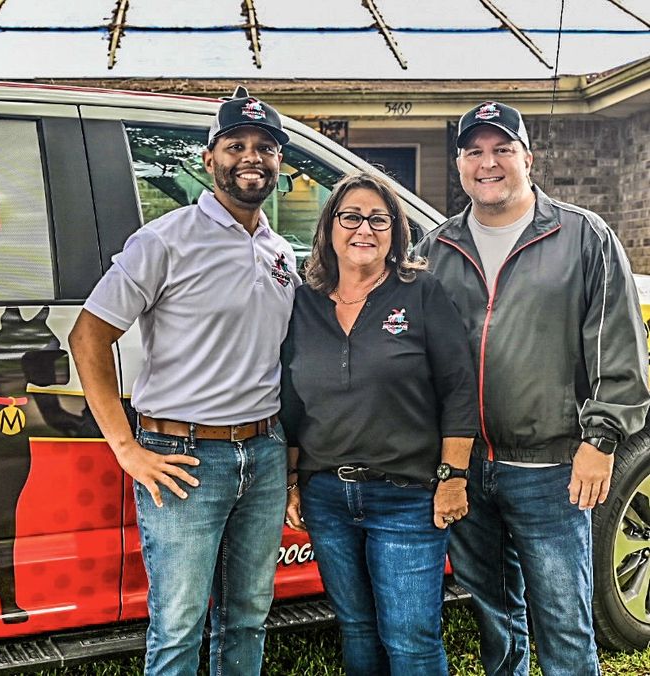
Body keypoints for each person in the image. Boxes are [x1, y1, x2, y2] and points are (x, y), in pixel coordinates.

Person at [68, 87, 301, 676]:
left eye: (266, 147)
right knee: (178, 625)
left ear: (279, 163)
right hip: (183, 457)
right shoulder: (164, 240)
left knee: (248, 616)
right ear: (209, 159)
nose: (252, 157)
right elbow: (88, 337)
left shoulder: (280, 253)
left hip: (265, 454)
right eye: (236, 145)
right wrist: (127, 449)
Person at [416, 101, 650, 675]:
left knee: (563, 624)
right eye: (475, 151)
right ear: (460, 163)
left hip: (549, 469)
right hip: (464, 467)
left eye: (502, 150)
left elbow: (619, 350)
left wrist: (600, 443)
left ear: (528, 158)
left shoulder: (583, 236)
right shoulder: (434, 249)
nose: (487, 163)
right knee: (496, 617)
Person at [280, 171, 478, 675]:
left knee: (410, 638)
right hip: (327, 495)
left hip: (408, 495)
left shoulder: (421, 293)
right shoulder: (304, 301)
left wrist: (453, 478)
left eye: (378, 219)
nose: (362, 229)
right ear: (329, 228)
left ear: (395, 233)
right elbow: (292, 402)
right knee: (357, 628)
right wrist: (292, 481)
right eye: (350, 217)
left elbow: (459, 387)